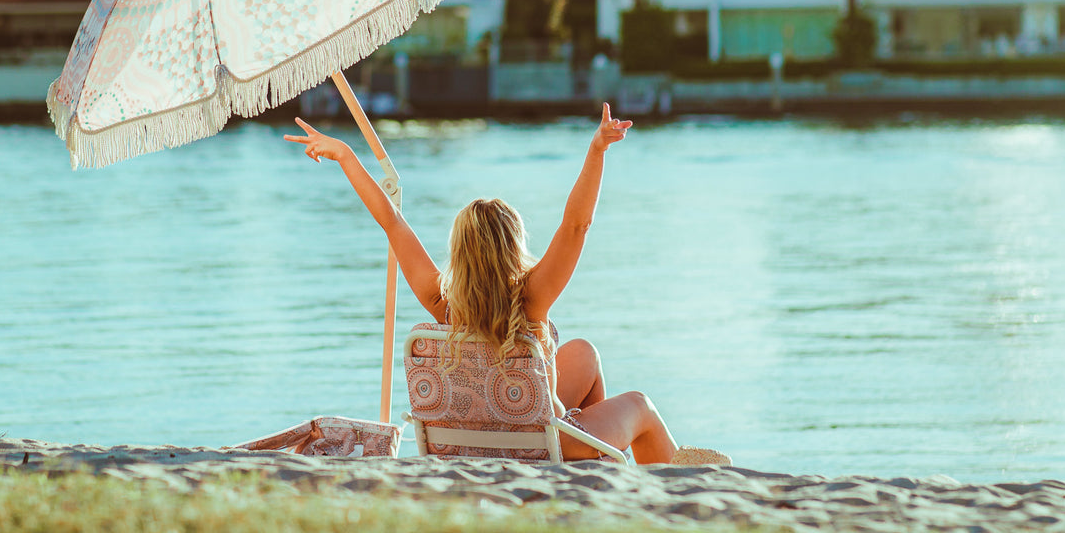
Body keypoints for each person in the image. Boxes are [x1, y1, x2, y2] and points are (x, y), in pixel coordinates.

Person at [284, 103, 730, 466]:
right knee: (642, 407)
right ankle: (667, 489)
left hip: (469, 440)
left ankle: (593, 469)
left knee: (584, 355)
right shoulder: (533, 297)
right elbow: (577, 225)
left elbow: (392, 221)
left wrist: (345, 154)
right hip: (539, 441)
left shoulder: (442, 301)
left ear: (459, 252)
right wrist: (597, 152)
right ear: (513, 246)